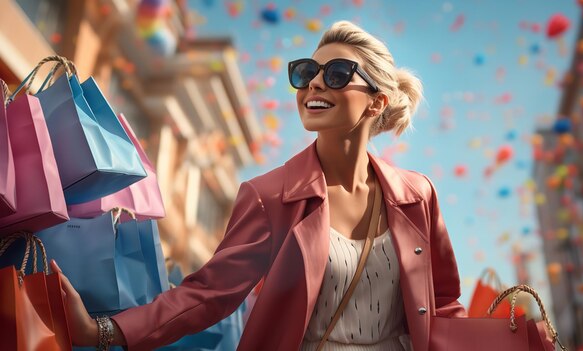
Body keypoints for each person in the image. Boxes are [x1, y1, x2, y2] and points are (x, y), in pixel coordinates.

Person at [51, 20, 466, 351]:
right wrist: (100, 331)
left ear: (376, 101)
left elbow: (445, 306)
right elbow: (207, 295)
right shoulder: (269, 196)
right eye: (306, 73)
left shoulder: (418, 196)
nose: (315, 84)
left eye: (338, 74)